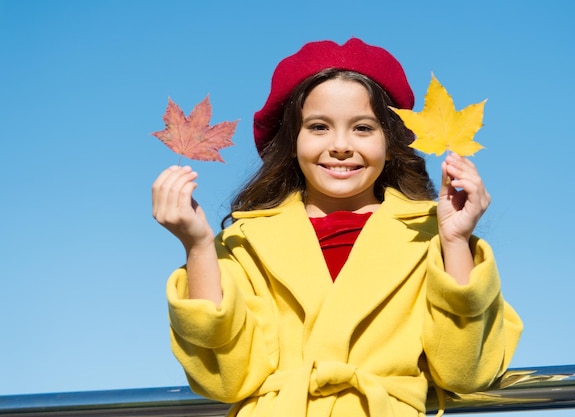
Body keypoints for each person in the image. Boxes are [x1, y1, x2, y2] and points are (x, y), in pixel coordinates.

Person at [152, 37, 523, 417]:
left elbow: (467, 373)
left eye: (363, 128)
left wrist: (456, 241)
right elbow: (224, 380)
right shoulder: (244, 244)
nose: (341, 145)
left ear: (391, 141)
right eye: (318, 127)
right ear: (291, 140)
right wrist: (198, 246)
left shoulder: (432, 236)